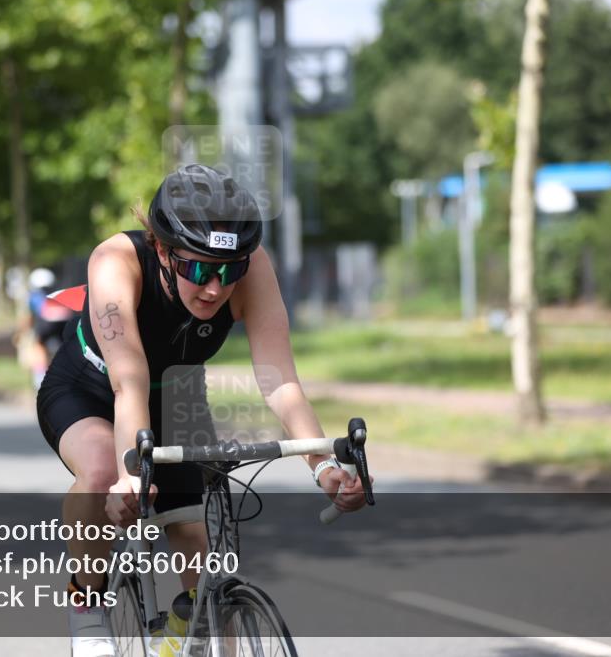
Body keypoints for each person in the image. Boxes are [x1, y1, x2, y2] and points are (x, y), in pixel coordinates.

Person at [36, 164, 369, 657]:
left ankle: (187, 634)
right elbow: (129, 384)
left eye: (228, 271)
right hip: (91, 387)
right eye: (198, 269)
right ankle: (87, 607)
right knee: (105, 469)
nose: (215, 287)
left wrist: (322, 463)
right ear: (164, 250)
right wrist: (132, 477)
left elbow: (280, 382)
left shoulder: (253, 268)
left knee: (194, 539)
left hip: (175, 392)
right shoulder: (115, 261)